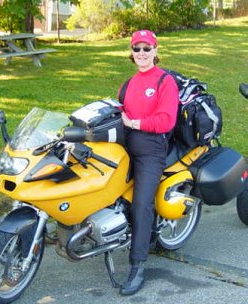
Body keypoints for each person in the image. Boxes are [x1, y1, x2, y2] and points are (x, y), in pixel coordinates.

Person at [118, 30, 179, 296]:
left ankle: (137, 264)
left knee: (142, 203)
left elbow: (167, 120)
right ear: (131, 53)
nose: (141, 53)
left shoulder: (165, 81)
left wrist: (136, 123)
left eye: (146, 48)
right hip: (123, 145)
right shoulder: (127, 83)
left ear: (155, 51)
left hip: (151, 149)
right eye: (136, 48)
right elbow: (116, 111)